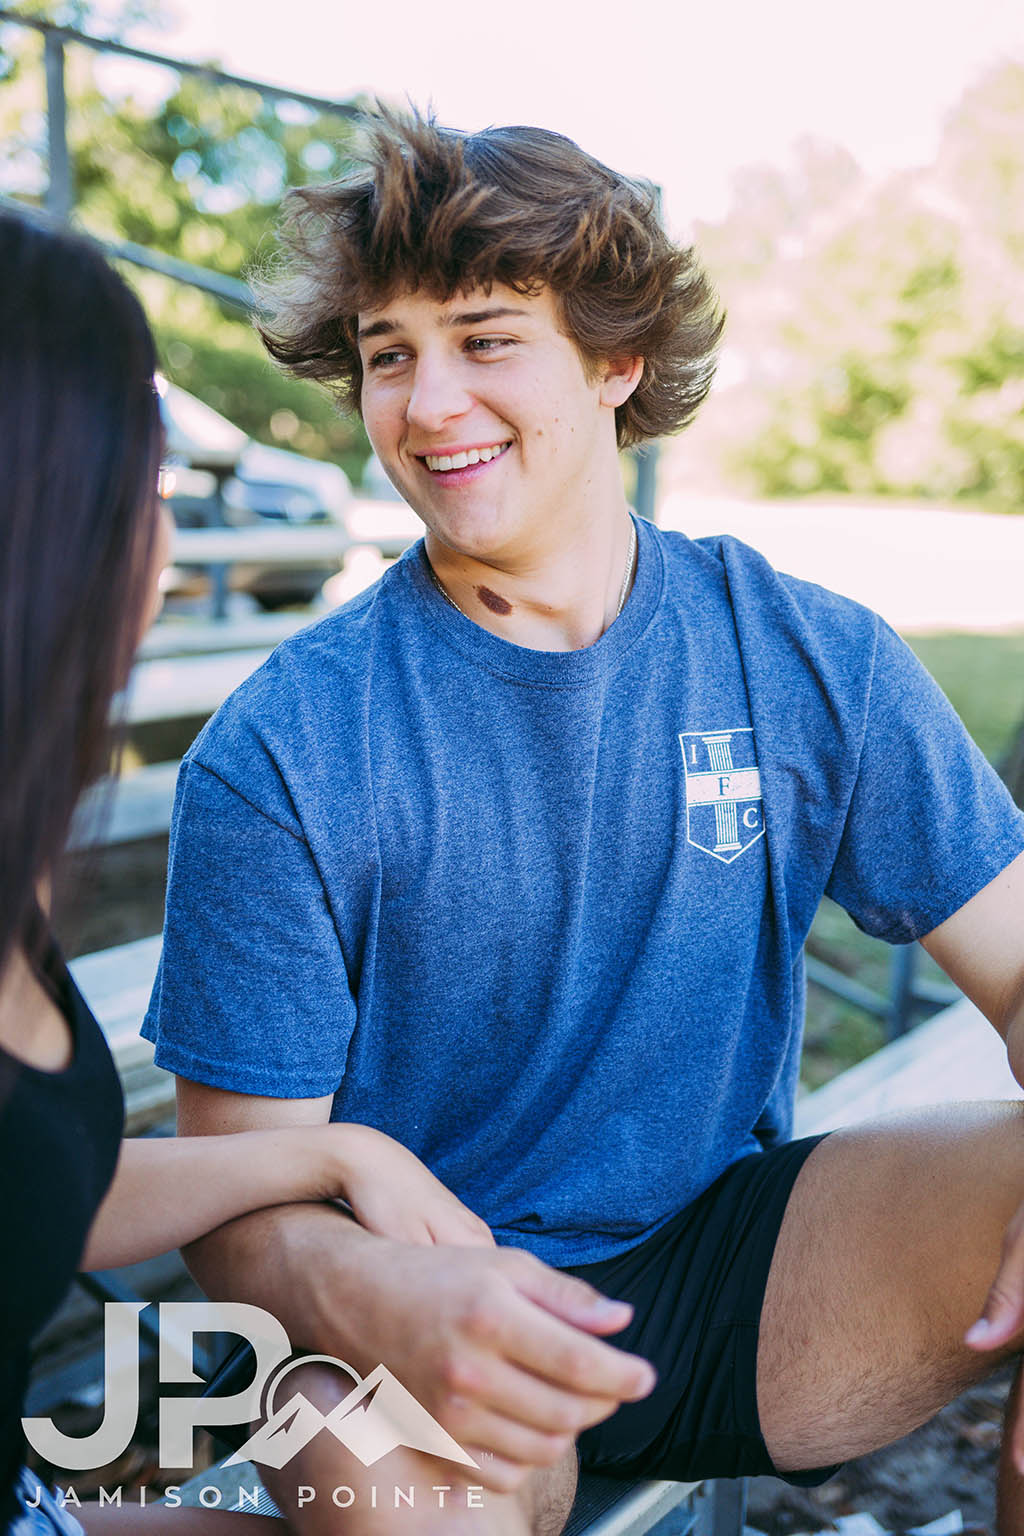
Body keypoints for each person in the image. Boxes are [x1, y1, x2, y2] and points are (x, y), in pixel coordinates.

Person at [142, 108, 1024, 1535]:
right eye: (388, 355)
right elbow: (247, 1211)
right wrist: (402, 1305)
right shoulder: (282, 751)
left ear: (619, 362)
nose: (428, 405)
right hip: (408, 1305)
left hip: (727, 1260)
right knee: (398, 1485)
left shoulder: (805, 655)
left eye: (486, 339)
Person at [0, 209, 503, 1536]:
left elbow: (46, 1182)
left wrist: (334, 1150)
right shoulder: (282, 746)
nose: (164, 557)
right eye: (149, 496)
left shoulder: (13, 855)